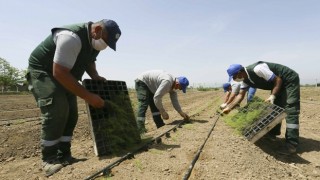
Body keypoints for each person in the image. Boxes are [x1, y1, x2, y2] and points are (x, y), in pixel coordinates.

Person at [26, 19, 121, 176]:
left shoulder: (94, 39)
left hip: (67, 73)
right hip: (45, 72)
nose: (104, 46)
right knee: (57, 110)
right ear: (97, 29)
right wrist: (90, 97)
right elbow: (59, 72)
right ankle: (49, 159)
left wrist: (95, 75)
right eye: (105, 40)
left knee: (72, 114)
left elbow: (89, 60)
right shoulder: (71, 37)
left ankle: (64, 155)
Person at [222, 62, 300, 155]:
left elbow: (278, 80)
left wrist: (273, 95)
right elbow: (240, 96)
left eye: (234, 77)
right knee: (276, 107)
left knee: (290, 109)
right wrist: (229, 108)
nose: (235, 80)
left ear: (240, 72)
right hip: (278, 84)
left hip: (288, 80)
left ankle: (291, 145)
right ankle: (272, 134)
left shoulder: (257, 69)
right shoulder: (245, 80)